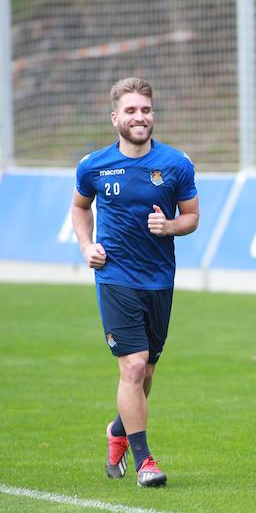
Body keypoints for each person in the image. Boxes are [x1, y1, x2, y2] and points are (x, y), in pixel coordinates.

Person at [71, 77, 199, 488]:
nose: (139, 117)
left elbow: (192, 218)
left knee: (146, 374)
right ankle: (146, 462)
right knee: (133, 365)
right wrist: (87, 246)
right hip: (115, 277)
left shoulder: (177, 164)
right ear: (115, 119)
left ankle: (117, 431)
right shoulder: (94, 166)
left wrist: (170, 226)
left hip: (159, 280)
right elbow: (79, 207)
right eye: (131, 110)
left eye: (145, 109)